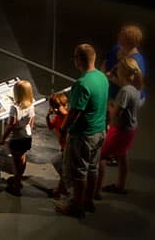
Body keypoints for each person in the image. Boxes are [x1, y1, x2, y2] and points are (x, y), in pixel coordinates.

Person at [56, 43, 108, 218]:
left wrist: (63, 129)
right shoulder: (102, 77)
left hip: (83, 135)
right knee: (92, 168)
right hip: (99, 131)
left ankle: (75, 206)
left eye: (75, 57)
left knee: (79, 172)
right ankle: (88, 201)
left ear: (80, 59)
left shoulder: (82, 83)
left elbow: (75, 112)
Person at [95, 57, 145, 198]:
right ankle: (120, 186)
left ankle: (96, 191)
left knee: (101, 157)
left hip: (119, 130)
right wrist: (110, 77)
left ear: (121, 73)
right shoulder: (136, 88)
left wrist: (108, 105)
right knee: (122, 156)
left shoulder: (124, 92)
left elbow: (114, 113)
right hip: (130, 129)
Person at [0, 79, 36, 195]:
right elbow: (32, 121)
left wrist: (3, 138)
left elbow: (11, 124)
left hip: (16, 138)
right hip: (26, 137)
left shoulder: (15, 108)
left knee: (15, 162)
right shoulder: (31, 104)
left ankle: (16, 184)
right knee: (23, 158)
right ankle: (19, 178)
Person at [104, 24, 148, 102]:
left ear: (130, 41)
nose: (118, 36)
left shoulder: (136, 61)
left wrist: (112, 78)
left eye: (122, 36)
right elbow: (105, 64)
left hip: (126, 98)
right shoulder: (116, 48)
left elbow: (134, 88)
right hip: (112, 93)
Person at [45, 91, 70, 199]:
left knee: (62, 167)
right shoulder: (57, 117)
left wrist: (63, 111)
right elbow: (51, 127)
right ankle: (63, 188)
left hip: (67, 148)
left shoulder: (67, 117)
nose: (55, 110)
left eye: (58, 106)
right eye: (54, 107)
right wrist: (47, 117)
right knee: (59, 165)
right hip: (63, 147)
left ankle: (59, 191)